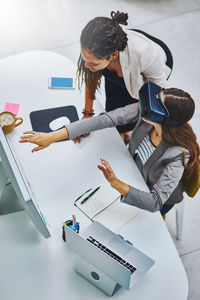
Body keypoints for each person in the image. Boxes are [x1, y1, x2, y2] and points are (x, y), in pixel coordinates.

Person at [19, 82, 200, 215]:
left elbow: (155, 202)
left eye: (156, 104)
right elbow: (106, 119)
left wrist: (116, 184)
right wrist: (52, 137)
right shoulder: (146, 114)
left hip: (150, 193)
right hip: (131, 170)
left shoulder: (179, 154)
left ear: (164, 118)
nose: (147, 104)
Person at [76, 11, 173, 144]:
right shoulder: (92, 48)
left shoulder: (146, 55)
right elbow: (90, 77)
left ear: (113, 55)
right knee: (114, 101)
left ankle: (126, 133)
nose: (86, 65)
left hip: (152, 66)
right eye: (85, 59)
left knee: (134, 103)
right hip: (118, 62)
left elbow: (160, 97)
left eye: (93, 63)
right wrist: (87, 114)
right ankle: (121, 132)